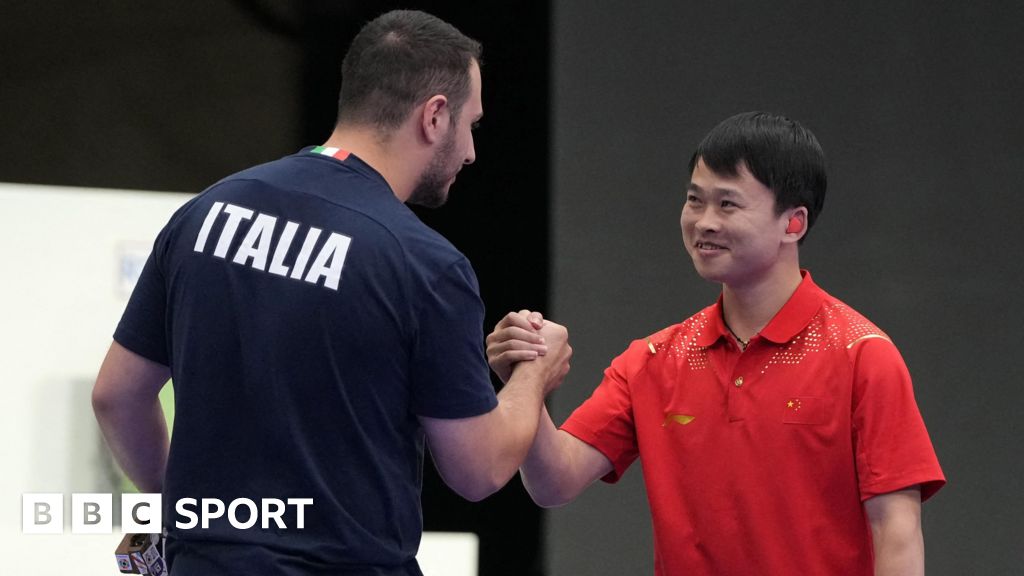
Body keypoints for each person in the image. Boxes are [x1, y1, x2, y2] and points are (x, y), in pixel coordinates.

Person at [92, 10, 571, 576]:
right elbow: (479, 469)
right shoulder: (426, 265)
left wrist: (190, 512)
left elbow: (116, 396)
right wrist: (533, 374)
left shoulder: (206, 212)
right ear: (435, 117)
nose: (470, 152)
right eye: (472, 125)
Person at [487, 111, 945, 575]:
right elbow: (554, 483)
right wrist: (528, 384)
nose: (704, 222)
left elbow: (897, 531)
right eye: (694, 200)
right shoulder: (653, 360)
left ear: (793, 223)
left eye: (728, 204)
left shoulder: (861, 354)